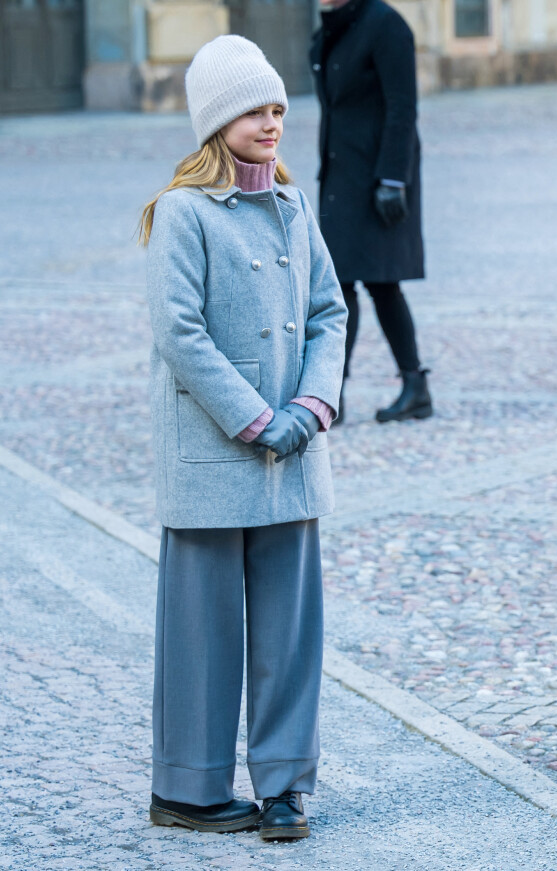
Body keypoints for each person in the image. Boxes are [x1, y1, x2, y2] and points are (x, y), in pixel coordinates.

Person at [139, 36, 346, 841]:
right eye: (257, 109)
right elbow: (179, 334)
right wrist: (257, 417)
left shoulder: (296, 209)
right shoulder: (181, 214)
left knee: (291, 636)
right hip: (216, 458)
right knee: (203, 633)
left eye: (279, 109)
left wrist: (313, 405)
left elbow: (329, 310)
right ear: (218, 118)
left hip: (294, 457)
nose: (273, 122)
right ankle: (187, 788)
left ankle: (287, 786)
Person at [310, 0, 433, 423]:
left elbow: (403, 107)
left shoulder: (385, 25)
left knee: (382, 283)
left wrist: (393, 180)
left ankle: (415, 386)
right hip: (343, 175)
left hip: (379, 178)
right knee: (337, 285)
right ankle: (332, 393)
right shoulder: (332, 28)